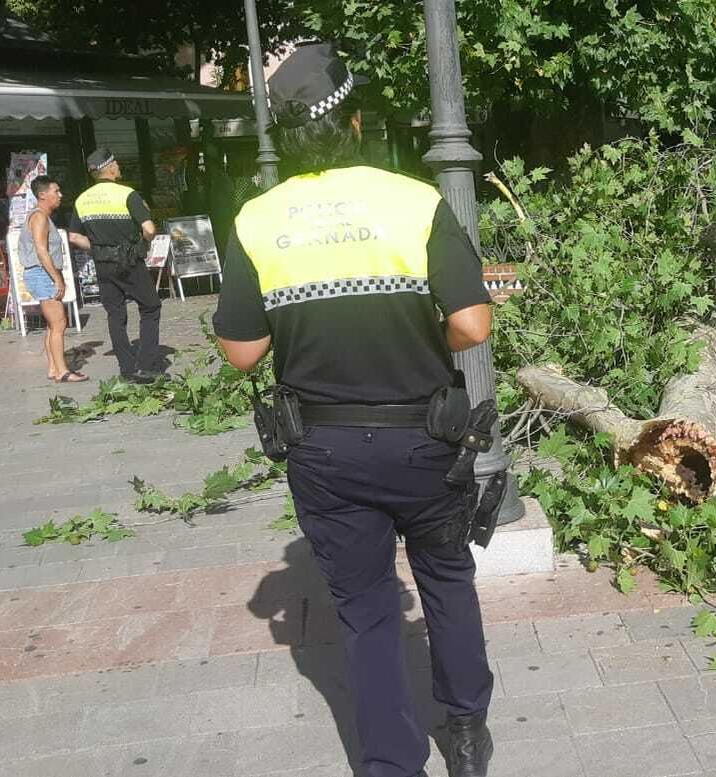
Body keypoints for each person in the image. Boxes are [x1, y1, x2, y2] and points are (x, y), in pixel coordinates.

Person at [212, 43, 495, 777]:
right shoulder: (413, 201)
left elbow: (242, 352)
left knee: (365, 611)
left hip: (326, 451)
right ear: (356, 118)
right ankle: (465, 731)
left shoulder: (258, 219)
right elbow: (472, 325)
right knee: (445, 576)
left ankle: (391, 764)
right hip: (426, 440)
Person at [66, 148, 163, 384]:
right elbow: (149, 229)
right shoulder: (127, 195)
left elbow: (73, 237)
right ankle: (147, 366)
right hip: (129, 261)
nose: (119, 167)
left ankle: (127, 369)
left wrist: (97, 248)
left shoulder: (82, 200)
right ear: (109, 168)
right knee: (150, 307)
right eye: (116, 164)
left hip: (103, 264)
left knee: (115, 314)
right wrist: (144, 243)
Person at [22, 176, 85, 383]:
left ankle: (53, 367)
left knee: (52, 324)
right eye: (56, 191)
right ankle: (62, 371)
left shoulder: (43, 217)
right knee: (59, 322)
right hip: (42, 273)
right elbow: (41, 250)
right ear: (42, 195)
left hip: (41, 273)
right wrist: (57, 278)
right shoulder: (39, 217)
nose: (60, 195)